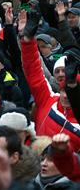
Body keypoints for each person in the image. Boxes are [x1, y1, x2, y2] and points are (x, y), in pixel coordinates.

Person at [20, 11, 80, 151]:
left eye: (71, 91)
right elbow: (33, 71)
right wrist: (28, 42)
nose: (65, 96)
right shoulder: (48, 99)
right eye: (64, 90)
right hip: (34, 167)